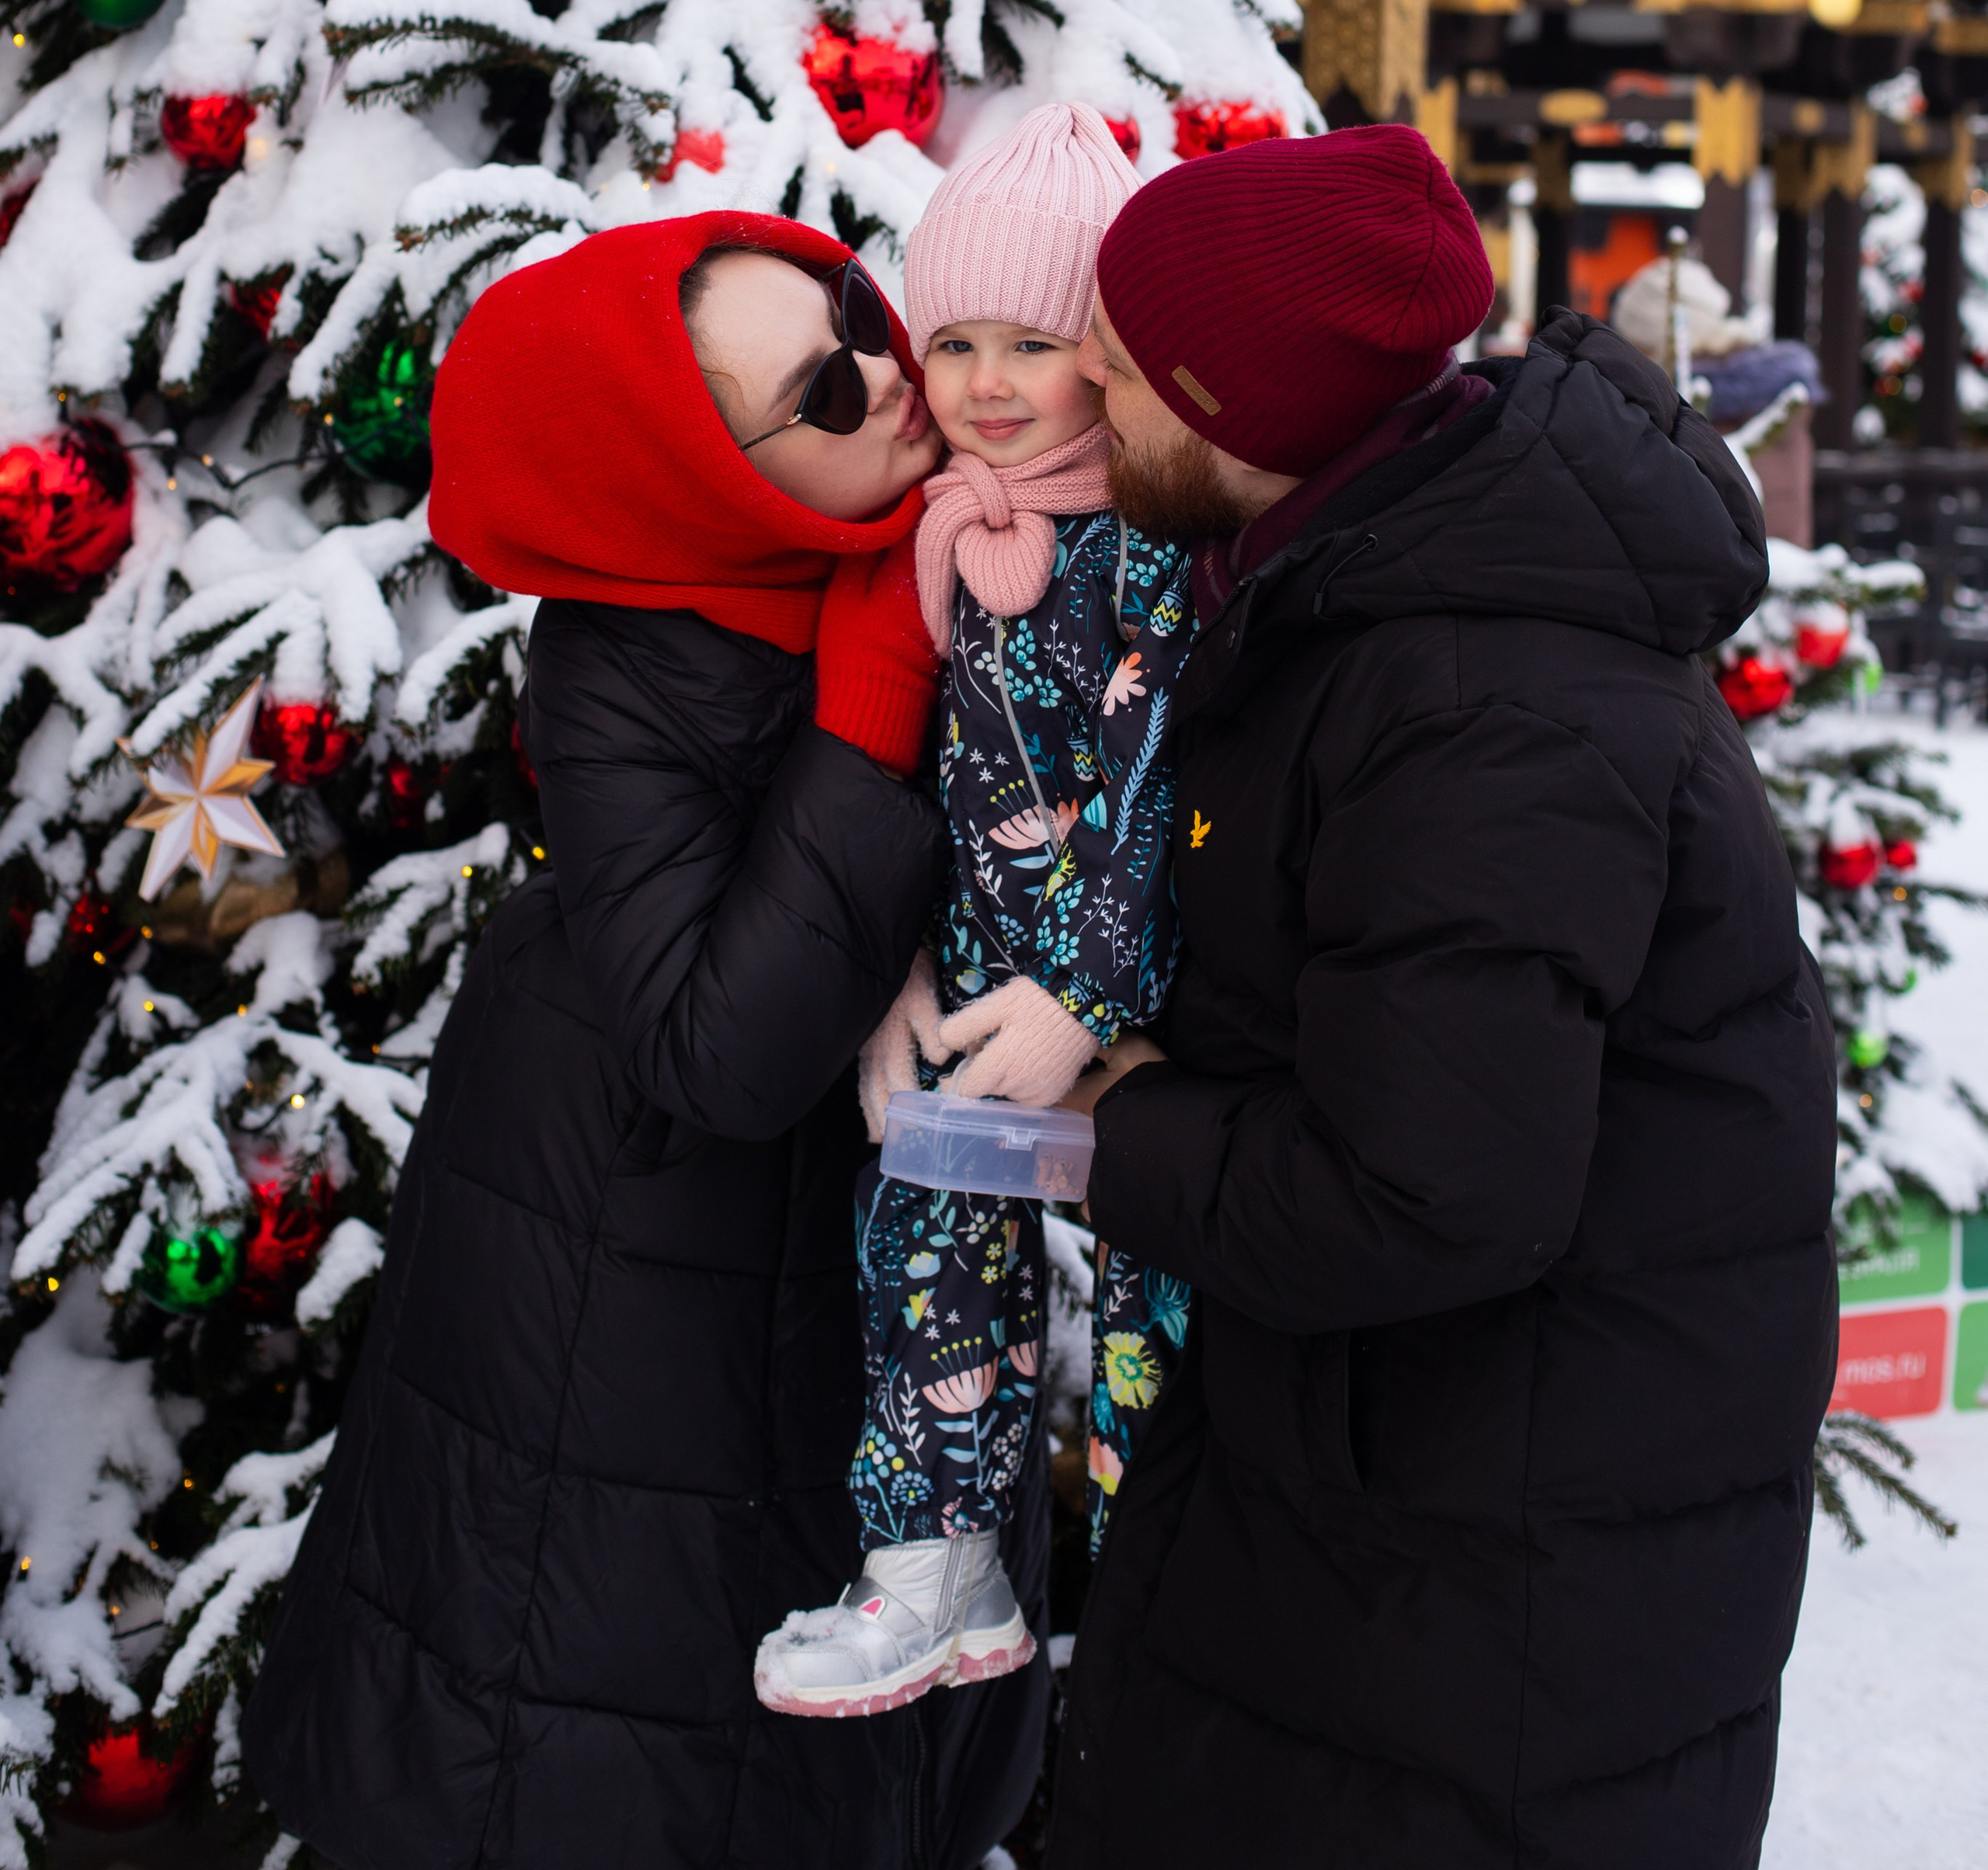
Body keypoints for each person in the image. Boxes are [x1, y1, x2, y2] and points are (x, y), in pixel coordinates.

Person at [1048, 127, 1839, 1870]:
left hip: (1491, 1618)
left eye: (1115, 356)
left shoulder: (1483, 708)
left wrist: (1116, 1126)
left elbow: (1427, 1190)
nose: (1076, 380)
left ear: (1239, 400)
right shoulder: (1375, 604)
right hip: (1410, 1528)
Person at [244, 210, 1047, 1870]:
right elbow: (721, 1052)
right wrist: (870, 697)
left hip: (836, 1271)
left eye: (853, 315)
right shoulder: (624, 673)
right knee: (630, 1732)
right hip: (635, 1272)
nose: (892, 378)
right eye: (825, 393)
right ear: (690, 479)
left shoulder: (973, 541)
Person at [756, 107, 1194, 1722]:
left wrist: (1085, 995)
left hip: (1127, 1011)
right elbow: (904, 780)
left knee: (1161, 1289)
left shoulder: (1146, 542)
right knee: (923, 1257)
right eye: (951, 342)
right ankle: (936, 1570)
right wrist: (896, 970)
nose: (987, 381)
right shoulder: (933, 528)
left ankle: (1165, 1602)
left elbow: (1149, 786)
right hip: (967, 991)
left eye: (1034, 340)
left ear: (1106, 357)